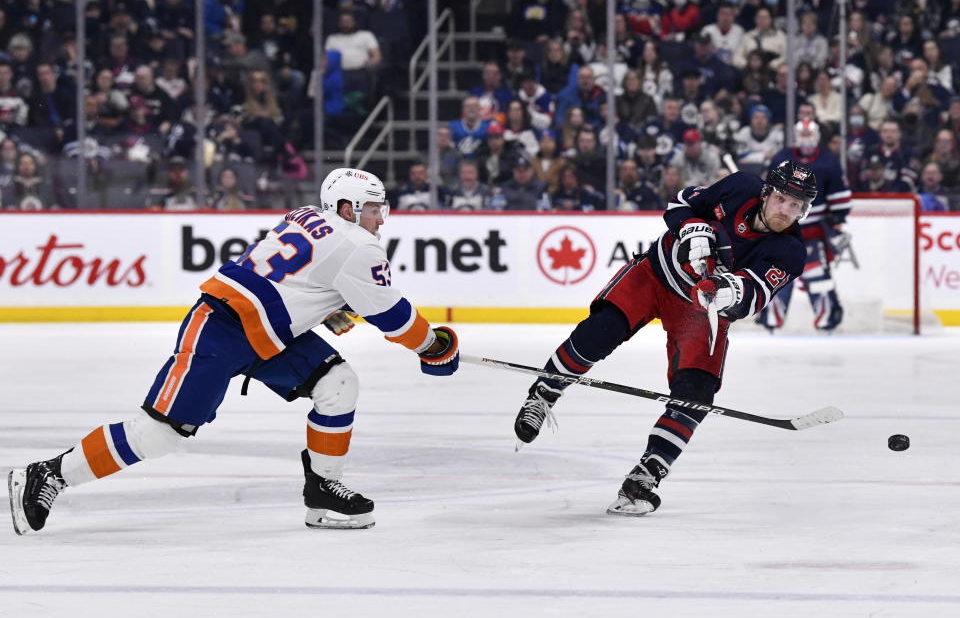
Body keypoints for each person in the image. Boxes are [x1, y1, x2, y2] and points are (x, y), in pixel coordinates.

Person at [8, 168, 460, 535]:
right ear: (348, 208)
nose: (382, 219)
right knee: (161, 433)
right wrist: (434, 347)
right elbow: (395, 319)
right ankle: (50, 473)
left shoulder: (308, 215)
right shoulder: (358, 245)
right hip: (221, 329)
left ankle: (324, 488)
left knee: (338, 383)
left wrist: (326, 307)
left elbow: (297, 278)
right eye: (376, 209)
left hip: (268, 334)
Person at [512, 161, 814, 515]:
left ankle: (646, 475)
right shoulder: (740, 187)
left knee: (697, 391)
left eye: (796, 206)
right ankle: (544, 393)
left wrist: (727, 289)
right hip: (655, 275)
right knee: (599, 333)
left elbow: (754, 295)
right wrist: (692, 228)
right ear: (766, 193)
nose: (786, 211)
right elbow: (679, 203)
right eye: (781, 199)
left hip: (699, 310)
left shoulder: (790, 251)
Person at [763, 120, 851, 332]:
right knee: (777, 273)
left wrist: (837, 222)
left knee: (816, 274)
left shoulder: (828, 161)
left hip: (813, 232)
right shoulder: (782, 159)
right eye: (802, 136)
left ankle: (827, 318)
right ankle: (772, 319)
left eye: (809, 136)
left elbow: (839, 199)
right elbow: (767, 193)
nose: (806, 141)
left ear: (817, 136)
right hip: (782, 231)